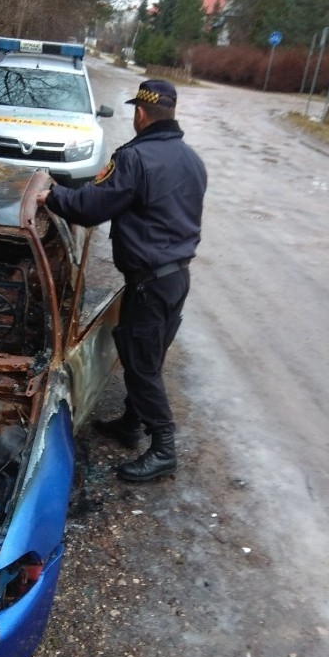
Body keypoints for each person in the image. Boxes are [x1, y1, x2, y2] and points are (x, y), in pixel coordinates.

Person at [36, 78, 207, 483]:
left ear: (141, 114)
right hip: (174, 278)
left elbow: (94, 207)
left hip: (150, 281)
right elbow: (119, 194)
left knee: (141, 364)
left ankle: (164, 449)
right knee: (145, 354)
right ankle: (131, 424)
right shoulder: (191, 159)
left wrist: (52, 196)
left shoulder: (135, 158)